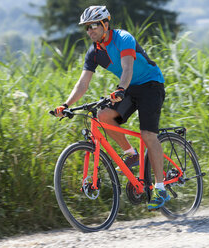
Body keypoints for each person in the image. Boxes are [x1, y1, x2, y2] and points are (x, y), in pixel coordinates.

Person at [53, 6, 170, 210]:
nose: (90, 31)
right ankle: (131, 153)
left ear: (105, 24)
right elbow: (82, 83)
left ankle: (160, 188)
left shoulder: (123, 38)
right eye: (86, 28)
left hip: (151, 84)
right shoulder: (94, 52)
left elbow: (127, 68)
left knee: (148, 134)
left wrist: (120, 89)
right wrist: (66, 105)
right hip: (131, 88)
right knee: (103, 116)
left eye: (93, 26)